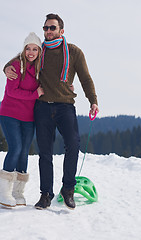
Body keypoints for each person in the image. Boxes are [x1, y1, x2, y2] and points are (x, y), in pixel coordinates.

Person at [4, 13, 99, 210]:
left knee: (73, 144)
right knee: (44, 152)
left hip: (65, 106)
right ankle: (45, 194)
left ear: (61, 31)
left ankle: (68, 189)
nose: (48, 31)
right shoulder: (40, 52)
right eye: (45, 28)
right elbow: (22, 58)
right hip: (42, 107)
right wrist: (6, 67)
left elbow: (85, 78)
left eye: (52, 28)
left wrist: (93, 100)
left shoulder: (74, 52)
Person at [0, 32, 44, 207]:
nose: (31, 52)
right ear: (24, 49)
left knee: (24, 151)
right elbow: (12, 91)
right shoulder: (16, 65)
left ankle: (18, 193)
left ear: (39, 51)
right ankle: (4, 193)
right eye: (28, 49)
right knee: (16, 147)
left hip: (28, 117)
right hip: (10, 114)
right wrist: (35, 94)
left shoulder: (40, 69)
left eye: (35, 49)